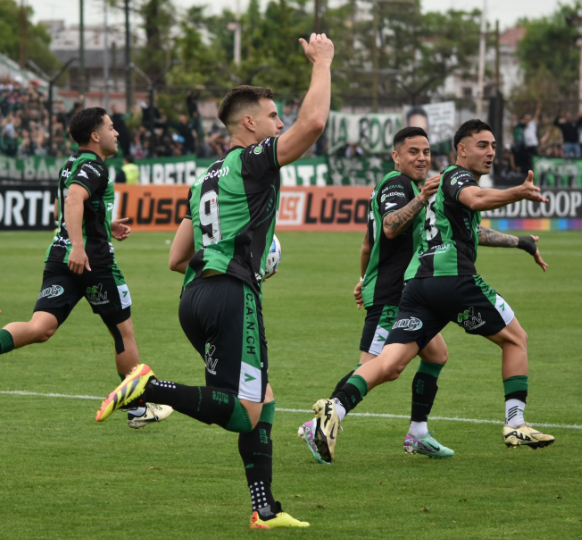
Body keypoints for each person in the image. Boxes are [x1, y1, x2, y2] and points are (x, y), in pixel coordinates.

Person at [94, 33, 335, 530]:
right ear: (250, 124)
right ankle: (148, 388)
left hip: (195, 295)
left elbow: (177, 257)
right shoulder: (251, 160)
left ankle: (264, 507)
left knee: (261, 398)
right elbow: (313, 123)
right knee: (243, 411)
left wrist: (230, 261)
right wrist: (323, 63)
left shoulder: (205, 176)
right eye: (272, 116)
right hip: (229, 295)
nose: (280, 123)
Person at [309, 120, 554, 464]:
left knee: (395, 363)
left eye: (493, 145)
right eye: (482, 145)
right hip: (443, 281)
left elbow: (470, 230)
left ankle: (345, 409)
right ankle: (515, 422)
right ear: (461, 149)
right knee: (516, 339)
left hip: (418, 286)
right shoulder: (442, 180)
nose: (491, 152)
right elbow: (473, 200)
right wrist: (518, 191)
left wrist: (521, 242)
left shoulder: (433, 188)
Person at [0, 107, 172, 429]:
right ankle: (138, 408)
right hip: (93, 262)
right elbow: (72, 201)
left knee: (41, 326)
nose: (117, 133)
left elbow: (68, 205)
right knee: (122, 332)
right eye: (111, 128)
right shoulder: (94, 166)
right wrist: (80, 244)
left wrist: (103, 223)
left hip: (59, 257)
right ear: (96, 135)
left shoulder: (72, 163)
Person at [297, 126, 455, 462]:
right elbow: (389, 226)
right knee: (378, 366)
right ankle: (322, 422)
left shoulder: (409, 187)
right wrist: (423, 197)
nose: (422, 157)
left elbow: (368, 243)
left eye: (426, 151)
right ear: (396, 156)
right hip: (392, 293)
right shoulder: (397, 184)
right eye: (413, 151)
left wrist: (362, 277)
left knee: (436, 354)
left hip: (405, 291)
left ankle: (418, 433)